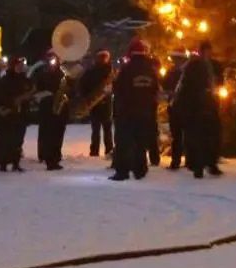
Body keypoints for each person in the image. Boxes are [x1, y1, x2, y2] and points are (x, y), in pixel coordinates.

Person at [110, 39, 159, 181]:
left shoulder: (127, 69)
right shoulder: (151, 69)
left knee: (124, 142)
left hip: (127, 112)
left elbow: (119, 89)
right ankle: (140, 170)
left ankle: (122, 171)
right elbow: (155, 89)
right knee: (141, 142)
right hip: (146, 112)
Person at [174, 40, 223, 178]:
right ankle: (198, 165)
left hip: (209, 104)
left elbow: (218, 81)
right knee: (198, 137)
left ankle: (210, 163)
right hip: (197, 106)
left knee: (211, 136)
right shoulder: (193, 65)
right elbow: (186, 86)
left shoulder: (213, 65)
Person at [32, 50, 70, 171]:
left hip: (60, 108)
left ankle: (56, 156)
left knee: (58, 133)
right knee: (47, 133)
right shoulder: (42, 72)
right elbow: (36, 89)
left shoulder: (63, 73)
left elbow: (69, 88)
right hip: (47, 107)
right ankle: (48, 157)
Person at [0, 57, 34, 172]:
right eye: (18, 65)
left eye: (21, 65)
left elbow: (29, 90)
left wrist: (28, 98)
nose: (21, 67)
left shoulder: (24, 79)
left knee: (18, 139)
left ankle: (15, 162)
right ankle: (3, 163)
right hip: (10, 114)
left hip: (21, 113)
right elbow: (2, 96)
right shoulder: (6, 80)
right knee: (7, 139)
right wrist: (13, 102)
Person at [80, 49, 115, 158]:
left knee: (107, 129)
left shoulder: (111, 71)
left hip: (106, 102)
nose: (104, 59)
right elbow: (83, 85)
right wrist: (88, 96)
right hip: (94, 102)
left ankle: (108, 150)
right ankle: (94, 151)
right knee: (96, 129)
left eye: (105, 57)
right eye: (102, 56)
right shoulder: (91, 72)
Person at [163, 51, 188, 170]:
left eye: (177, 59)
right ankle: (176, 161)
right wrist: (169, 93)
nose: (175, 61)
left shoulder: (188, 72)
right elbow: (164, 86)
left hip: (185, 106)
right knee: (176, 135)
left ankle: (190, 160)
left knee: (187, 135)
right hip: (174, 107)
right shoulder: (171, 72)